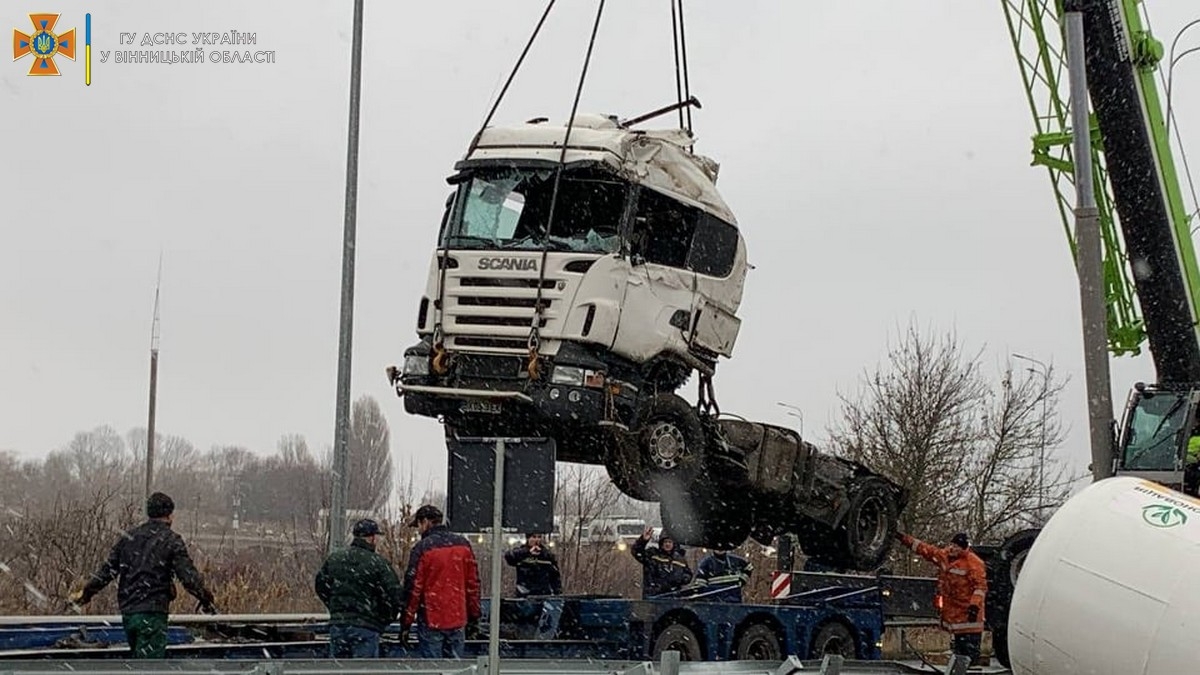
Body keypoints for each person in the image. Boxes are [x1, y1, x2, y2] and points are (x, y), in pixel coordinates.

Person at [69, 492, 216, 659]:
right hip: (153, 614)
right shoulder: (171, 540)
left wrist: (86, 594)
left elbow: (107, 571)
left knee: (137, 662)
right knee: (149, 667)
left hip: (129, 613)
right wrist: (205, 598)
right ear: (170, 515)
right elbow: (189, 578)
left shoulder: (129, 538)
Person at [897, 530, 988, 666]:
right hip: (956, 616)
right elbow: (925, 549)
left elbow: (980, 587)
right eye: (952, 545)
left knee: (969, 657)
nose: (952, 548)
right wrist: (903, 538)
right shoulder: (944, 556)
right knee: (959, 655)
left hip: (969, 618)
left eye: (956, 546)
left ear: (963, 548)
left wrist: (974, 606)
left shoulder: (973, 563)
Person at [401, 504, 481, 659]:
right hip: (458, 617)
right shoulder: (463, 545)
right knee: (456, 669)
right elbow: (473, 584)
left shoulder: (422, 548)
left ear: (424, 522)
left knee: (432, 668)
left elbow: (413, 590)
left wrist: (406, 623)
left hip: (431, 618)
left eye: (418, 525)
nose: (419, 531)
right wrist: (474, 616)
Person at [314, 518, 403, 658]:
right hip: (366, 627)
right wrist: (383, 618)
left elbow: (321, 586)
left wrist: (335, 607)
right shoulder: (378, 563)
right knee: (364, 670)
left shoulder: (335, 559)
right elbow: (394, 594)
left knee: (337, 670)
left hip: (339, 626)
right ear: (373, 538)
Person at [504, 532, 563, 639]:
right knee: (525, 625)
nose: (536, 540)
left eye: (539, 537)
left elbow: (555, 576)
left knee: (542, 626)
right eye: (534, 537)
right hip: (524, 597)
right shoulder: (521, 554)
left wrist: (557, 594)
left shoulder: (547, 556)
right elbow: (509, 557)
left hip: (543, 597)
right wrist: (527, 552)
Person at [631, 527, 693, 599]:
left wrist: (679, 579)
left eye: (670, 542)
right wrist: (643, 541)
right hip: (654, 596)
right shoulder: (652, 555)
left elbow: (688, 574)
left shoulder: (680, 559)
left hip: (674, 597)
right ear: (661, 543)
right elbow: (637, 552)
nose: (667, 544)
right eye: (665, 542)